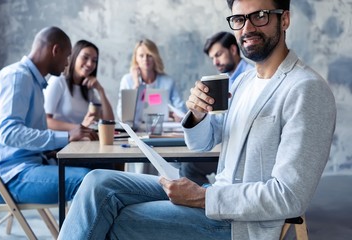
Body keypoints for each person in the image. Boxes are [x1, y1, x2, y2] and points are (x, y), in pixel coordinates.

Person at [58, 0, 337, 239]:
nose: (248, 28)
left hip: (239, 223)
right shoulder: (243, 82)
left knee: (119, 218)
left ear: (284, 19)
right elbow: (203, 144)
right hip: (214, 195)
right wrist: (198, 115)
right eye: (239, 19)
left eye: (260, 16)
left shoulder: (306, 88)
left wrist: (202, 198)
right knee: (97, 182)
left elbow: (289, 196)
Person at [0, 27, 98, 204]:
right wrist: (67, 136)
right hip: (11, 176)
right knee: (88, 181)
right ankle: (77, 233)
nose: (67, 63)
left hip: (30, 165)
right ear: (55, 50)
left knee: (100, 170)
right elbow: (9, 133)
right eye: (67, 56)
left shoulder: (33, 82)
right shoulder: (18, 77)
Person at [180, 31, 254, 185]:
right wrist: (198, 115)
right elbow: (217, 123)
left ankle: (202, 199)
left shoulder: (252, 77)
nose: (215, 62)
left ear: (233, 50)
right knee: (185, 164)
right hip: (223, 145)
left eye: (218, 55)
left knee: (189, 167)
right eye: (212, 58)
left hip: (243, 153)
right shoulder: (226, 79)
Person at [44, 40, 115, 131]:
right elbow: (46, 121)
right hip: (59, 143)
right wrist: (80, 128)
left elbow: (109, 121)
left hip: (77, 141)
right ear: (74, 56)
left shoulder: (87, 89)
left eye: (94, 60)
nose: (90, 64)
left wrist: (101, 90)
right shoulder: (58, 81)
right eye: (85, 57)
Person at [116, 38, 187, 123]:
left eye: (149, 55)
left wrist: (174, 115)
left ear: (155, 57)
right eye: (141, 55)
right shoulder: (127, 80)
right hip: (135, 130)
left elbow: (182, 111)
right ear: (136, 58)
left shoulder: (168, 81)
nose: (145, 59)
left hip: (161, 129)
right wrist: (136, 83)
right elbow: (122, 115)